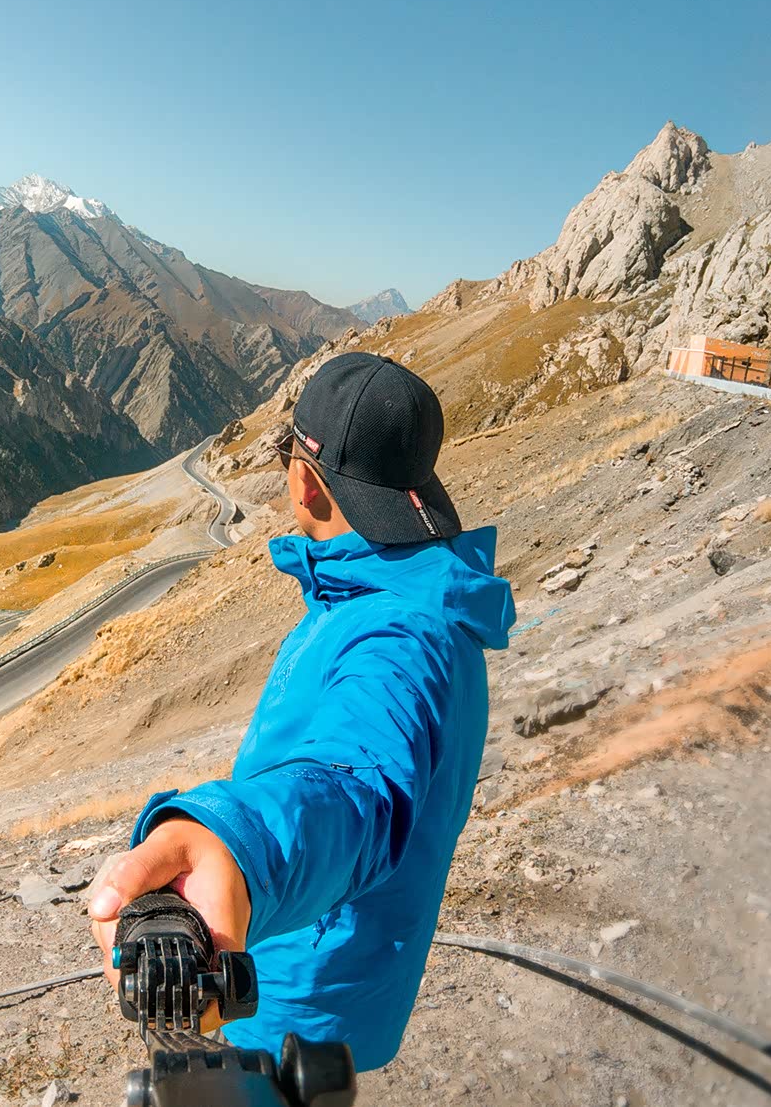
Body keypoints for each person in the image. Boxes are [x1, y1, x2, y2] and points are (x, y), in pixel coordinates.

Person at [88, 351, 516, 1071]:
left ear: (302, 480)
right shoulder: (417, 602)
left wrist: (239, 847)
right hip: (351, 980)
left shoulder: (397, 637)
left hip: (291, 992)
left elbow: (358, 785)